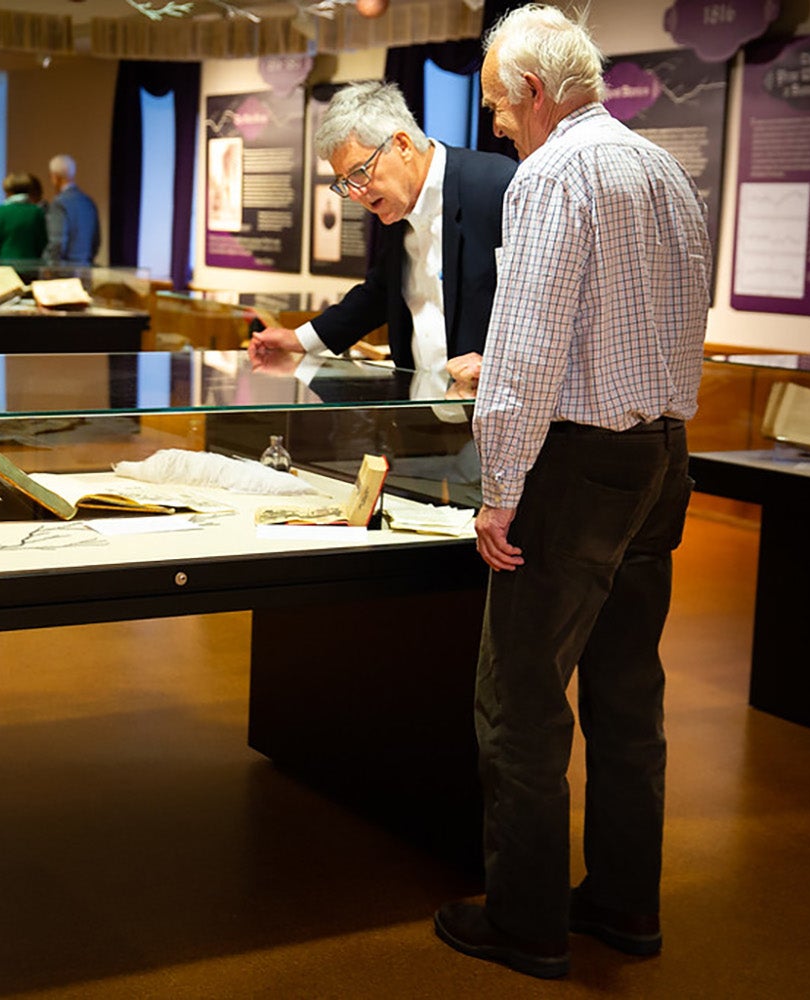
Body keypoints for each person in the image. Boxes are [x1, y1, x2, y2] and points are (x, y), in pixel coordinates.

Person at [430, 4, 712, 981]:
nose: (498, 127)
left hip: (577, 468)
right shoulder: (663, 168)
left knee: (522, 699)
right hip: (663, 456)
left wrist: (500, 484)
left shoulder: (551, 174)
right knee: (630, 696)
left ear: (537, 93)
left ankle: (526, 918)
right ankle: (627, 904)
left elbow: (527, 346)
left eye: (500, 108)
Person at [246, 81, 516, 382]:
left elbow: (540, 303)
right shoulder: (397, 204)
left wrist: (502, 365)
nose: (356, 194)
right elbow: (380, 292)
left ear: (401, 145)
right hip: (418, 406)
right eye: (344, 182)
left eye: (359, 172)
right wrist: (300, 339)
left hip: (489, 404)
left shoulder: (496, 187)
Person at [42, 153, 101, 265]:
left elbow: (57, 243)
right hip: (85, 267)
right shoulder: (88, 201)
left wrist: (50, 265)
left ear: (55, 177)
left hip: (64, 271)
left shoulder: (59, 203)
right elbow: (96, 241)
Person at [0, 172, 47, 263]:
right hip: (31, 268)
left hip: (6, 268)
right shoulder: (36, 211)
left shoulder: (2, 211)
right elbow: (42, 244)